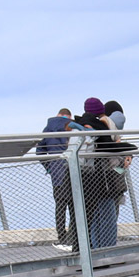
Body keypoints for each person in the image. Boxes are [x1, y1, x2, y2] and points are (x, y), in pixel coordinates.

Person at [76, 98, 132, 250]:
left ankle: (94, 249)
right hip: (108, 181)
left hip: (87, 178)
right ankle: (107, 250)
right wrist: (124, 157)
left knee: (94, 217)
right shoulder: (105, 125)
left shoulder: (81, 127)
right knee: (108, 216)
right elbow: (112, 156)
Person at [37, 107, 78, 249]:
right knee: (75, 207)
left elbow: (39, 151)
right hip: (73, 171)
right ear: (69, 116)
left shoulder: (48, 129)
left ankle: (61, 237)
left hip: (57, 174)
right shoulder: (71, 127)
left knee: (60, 207)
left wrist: (49, 167)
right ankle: (74, 237)